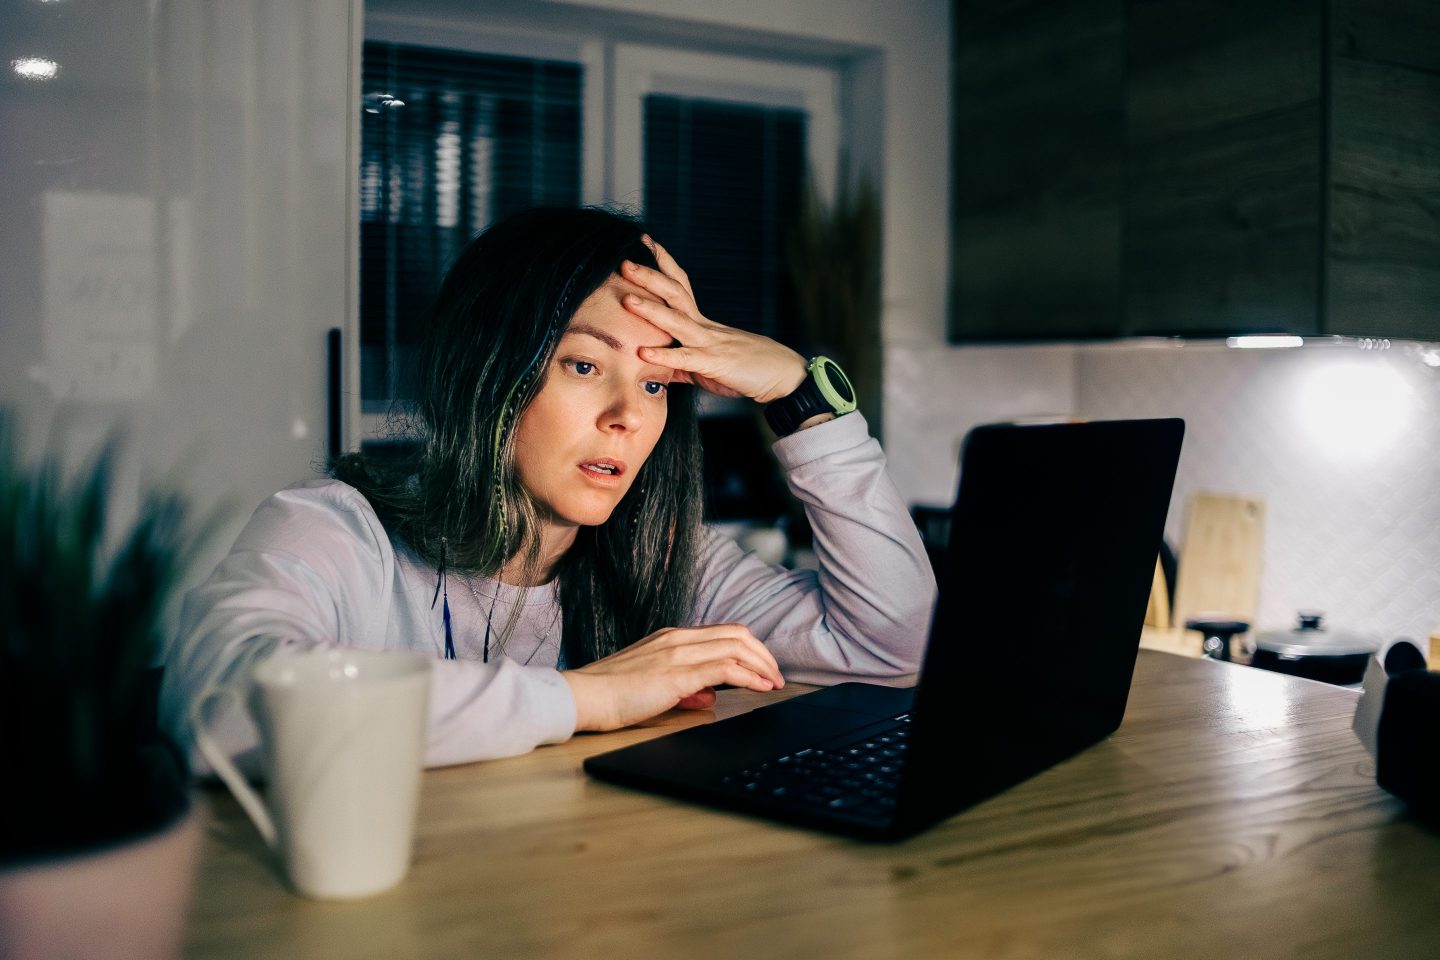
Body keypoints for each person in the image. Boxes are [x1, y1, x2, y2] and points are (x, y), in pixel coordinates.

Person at [163, 206, 936, 769]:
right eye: (584, 365)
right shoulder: (335, 530)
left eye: (659, 383)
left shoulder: (666, 557)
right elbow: (221, 702)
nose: (628, 417)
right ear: (490, 369)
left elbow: (890, 644)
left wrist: (802, 398)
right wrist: (587, 698)